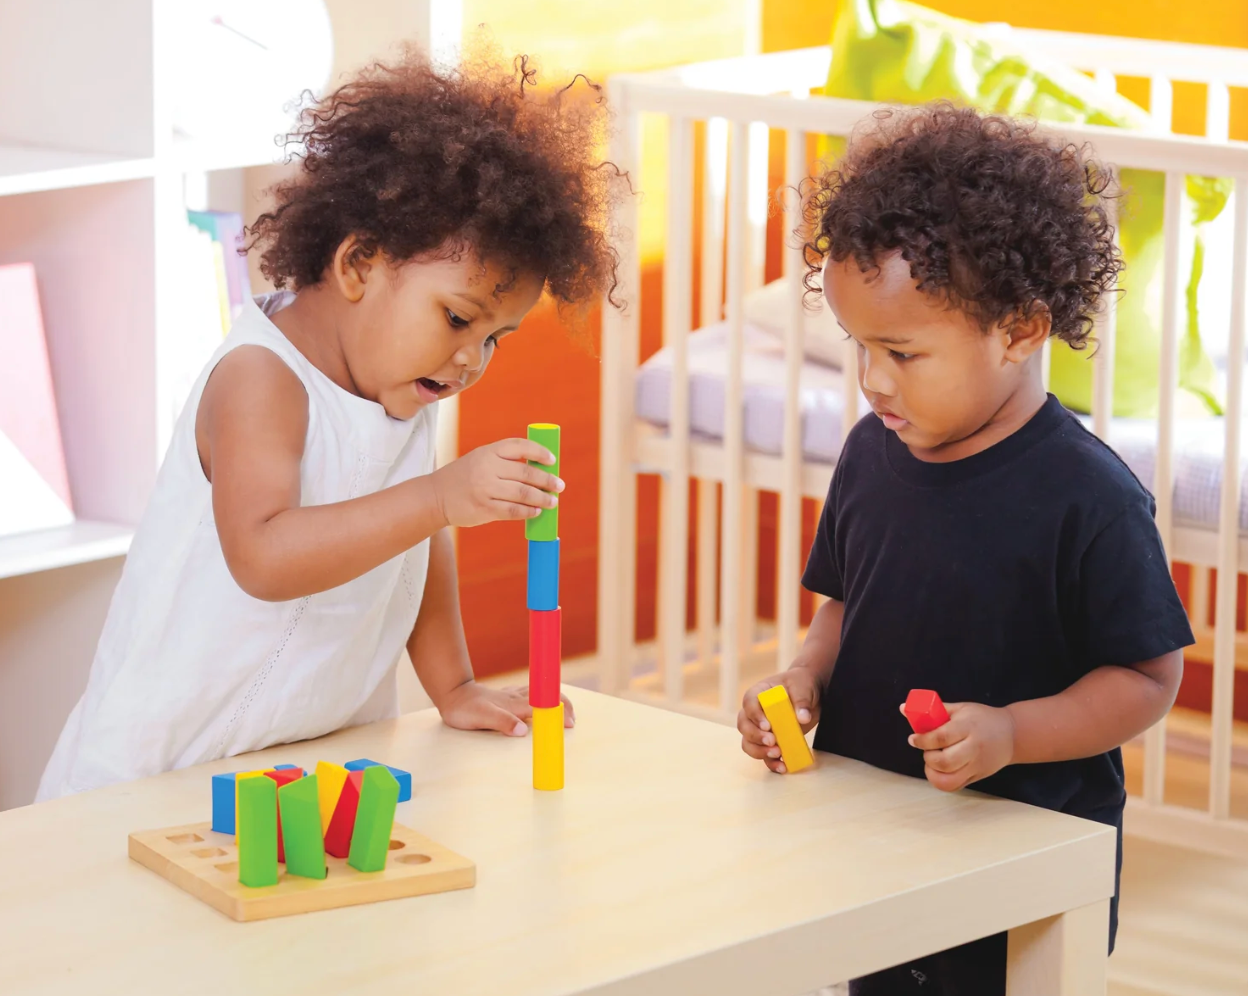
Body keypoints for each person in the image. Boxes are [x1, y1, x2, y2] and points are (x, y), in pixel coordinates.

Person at [39, 50, 620, 800]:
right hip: (156, 772)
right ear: (358, 264)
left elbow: (418, 543)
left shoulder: (400, 391)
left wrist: (455, 686)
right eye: (458, 319)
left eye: (496, 339)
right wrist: (441, 496)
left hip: (301, 768)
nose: (473, 359)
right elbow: (264, 556)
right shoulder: (262, 379)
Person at [738, 103, 1192, 994]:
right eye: (860, 346)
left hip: (1019, 856)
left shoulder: (1089, 496)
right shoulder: (873, 452)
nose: (871, 380)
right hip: (877, 833)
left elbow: (1147, 679)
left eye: (902, 352)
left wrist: (1014, 733)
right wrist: (804, 680)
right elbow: (844, 603)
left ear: (1020, 331)